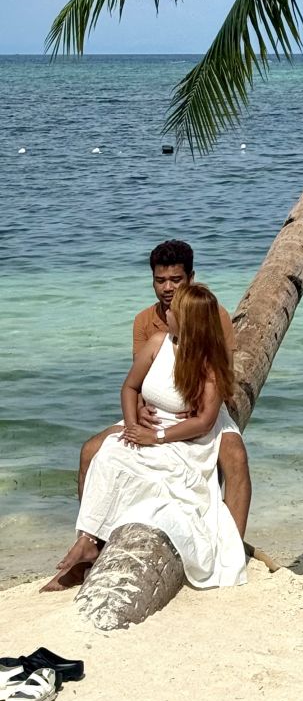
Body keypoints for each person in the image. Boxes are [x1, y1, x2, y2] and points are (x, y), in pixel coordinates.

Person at [44, 283, 248, 591]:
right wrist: (132, 426)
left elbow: (204, 422)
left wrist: (158, 436)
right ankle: (87, 541)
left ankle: (231, 545)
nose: (166, 312)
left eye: (173, 311)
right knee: (108, 454)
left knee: (165, 477)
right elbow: (129, 387)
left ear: (189, 321)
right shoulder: (157, 343)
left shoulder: (209, 364)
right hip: (148, 425)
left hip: (184, 436)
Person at [76, 241, 251, 538]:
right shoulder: (145, 321)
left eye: (176, 280)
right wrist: (138, 413)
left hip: (203, 408)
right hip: (157, 409)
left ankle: (233, 541)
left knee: (235, 457)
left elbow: (224, 370)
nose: (167, 287)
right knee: (90, 451)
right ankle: (91, 537)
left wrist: (198, 405)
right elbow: (140, 378)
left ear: (191, 278)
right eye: (160, 281)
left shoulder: (212, 314)